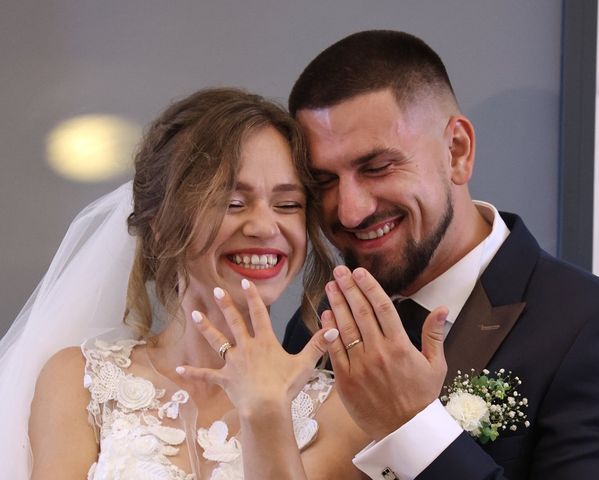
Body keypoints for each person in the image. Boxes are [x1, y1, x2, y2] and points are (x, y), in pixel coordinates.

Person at [282, 30, 599, 479]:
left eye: (377, 167)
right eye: (324, 182)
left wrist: (412, 426)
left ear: (457, 152)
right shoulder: (318, 323)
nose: (351, 210)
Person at [0, 88, 373, 479]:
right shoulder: (80, 381)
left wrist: (267, 415)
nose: (265, 227)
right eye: (232, 203)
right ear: (161, 227)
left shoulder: (341, 409)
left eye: (288, 205)